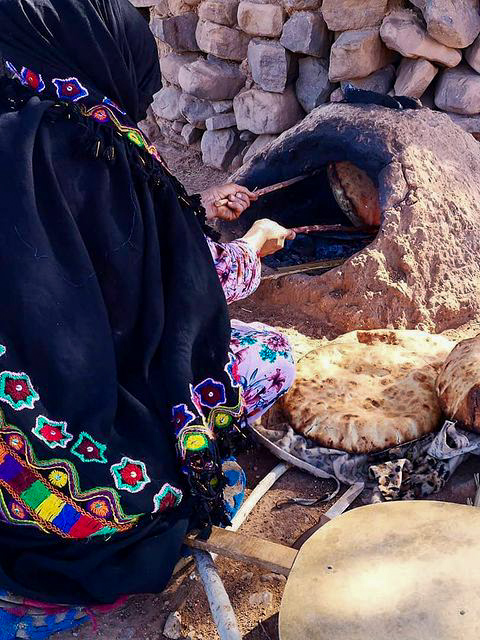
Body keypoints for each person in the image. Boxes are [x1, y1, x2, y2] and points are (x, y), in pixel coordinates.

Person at [0, 1, 295, 637]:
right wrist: (250, 246)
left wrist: (189, 213)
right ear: (100, 49)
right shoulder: (94, 147)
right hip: (70, 481)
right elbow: (190, 297)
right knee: (267, 354)